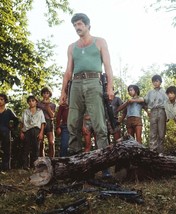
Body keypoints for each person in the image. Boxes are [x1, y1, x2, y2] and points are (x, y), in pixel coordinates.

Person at [59, 13, 114, 178]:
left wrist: (110, 87)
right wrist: (63, 91)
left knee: (99, 125)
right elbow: (68, 71)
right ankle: (75, 165)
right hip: (75, 84)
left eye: (80, 24)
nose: (77, 27)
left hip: (93, 82)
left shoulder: (100, 42)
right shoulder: (71, 47)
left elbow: (108, 66)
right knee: (73, 123)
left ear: (88, 25)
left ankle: (105, 166)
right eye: (75, 25)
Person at [20, 95, 46, 170]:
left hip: (36, 130)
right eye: (29, 101)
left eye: (33, 101)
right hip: (27, 130)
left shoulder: (40, 111)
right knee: (26, 148)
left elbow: (43, 123)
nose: (31, 102)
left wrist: (41, 133)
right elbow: (22, 122)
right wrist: (21, 132)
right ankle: (25, 165)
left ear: (36, 102)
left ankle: (35, 165)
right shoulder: (25, 112)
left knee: (36, 149)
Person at [144, 75, 168, 153]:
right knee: (152, 132)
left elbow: (168, 103)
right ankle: (152, 151)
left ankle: (161, 152)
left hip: (162, 111)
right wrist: (147, 111)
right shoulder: (150, 92)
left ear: (160, 82)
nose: (155, 83)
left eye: (157, 81)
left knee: (161, 132)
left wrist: (167, 114)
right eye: (154, 81)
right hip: (153, 111)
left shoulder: (164, 92)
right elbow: (144, 101)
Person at [0, 93, 19, 170]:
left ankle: (6, 167)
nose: (0, 101)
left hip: (6, 132)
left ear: (5, 101)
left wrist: (12, 127)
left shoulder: (8, 111)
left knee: (7, 150)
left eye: (1, 99)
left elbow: (16, 120)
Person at [37, 86, 56, 158]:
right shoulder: (38, 104)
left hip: (49, 123)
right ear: (42, 94)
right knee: (40, 142)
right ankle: (42, 159)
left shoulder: (52, 104)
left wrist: (47, 105)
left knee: (51, 142)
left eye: (47, 93)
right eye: (44, 93)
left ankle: (52, 159)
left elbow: (52, 115)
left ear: (49, 94)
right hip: (40, 123)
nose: (45, 95)